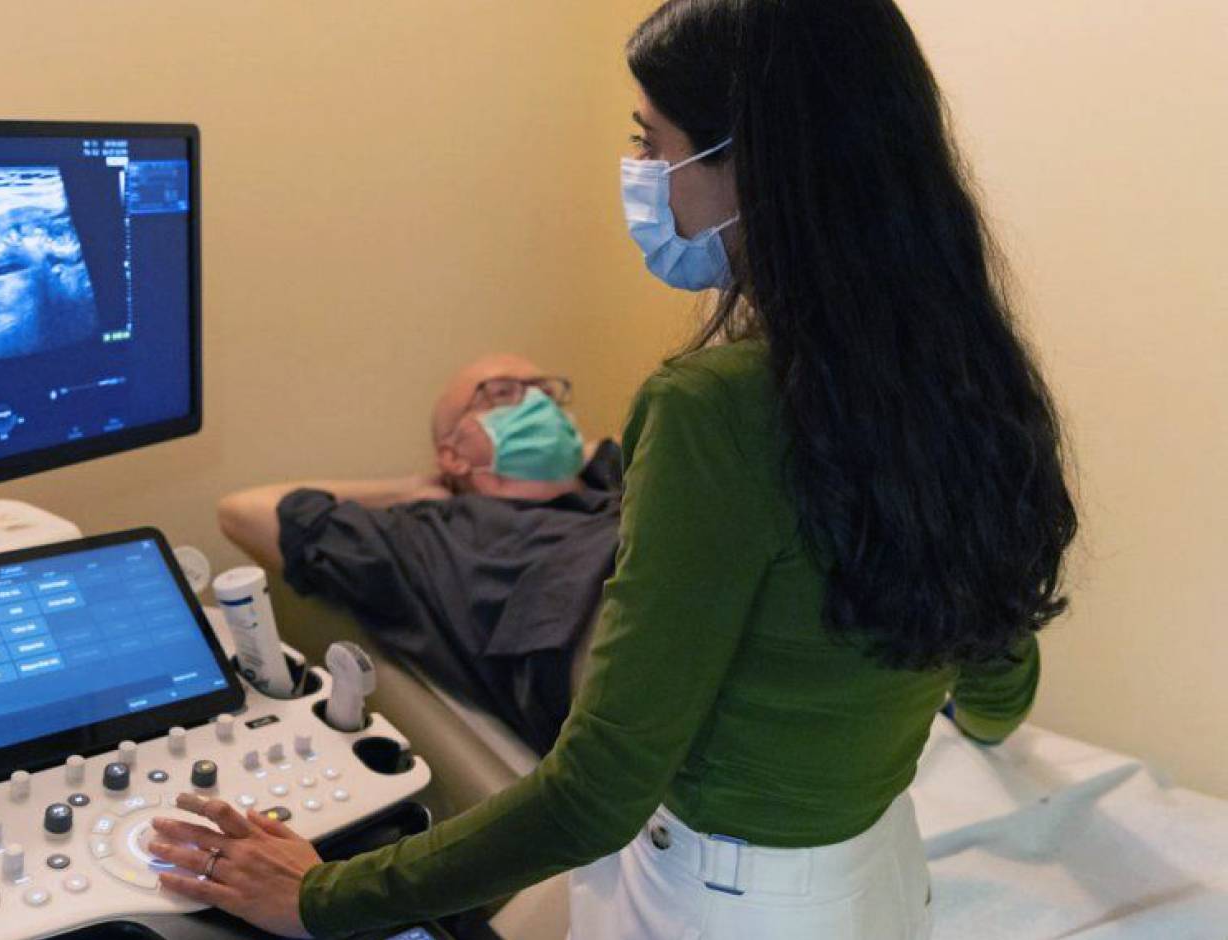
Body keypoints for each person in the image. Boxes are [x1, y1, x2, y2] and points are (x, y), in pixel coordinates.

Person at [150, 0, 1078, 937]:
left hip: (730, 904)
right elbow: (995, 639)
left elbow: (599, 790)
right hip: (875, 879)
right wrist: (992, 727)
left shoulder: (714, 408)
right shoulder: (961, 370)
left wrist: (320, 898)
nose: (642, 176)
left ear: (751, 160)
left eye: (652, 142)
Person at [216, 352, 623, 753]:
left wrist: (579, 459)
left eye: (546, 394)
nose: (539, 406)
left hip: (662, 577)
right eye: (503, 394)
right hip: (615, 640)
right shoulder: (427, 536)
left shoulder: (615, 481)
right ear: (452, 454)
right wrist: (409, 489)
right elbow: (242, 512)